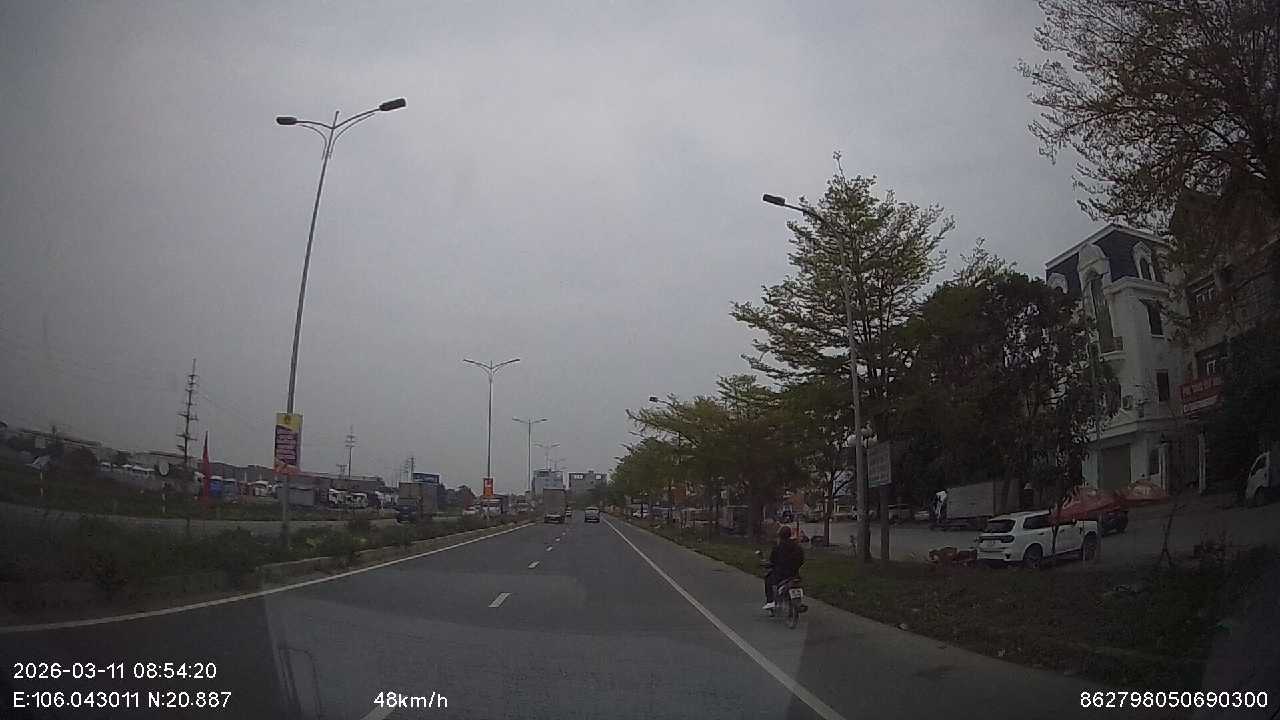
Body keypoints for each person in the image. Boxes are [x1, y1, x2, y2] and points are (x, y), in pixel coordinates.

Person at [762, 525, 805, 610]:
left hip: (780, 575)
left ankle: (770, 601)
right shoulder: (797, 547)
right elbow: (801, 560)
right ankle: (798, 602)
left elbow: (772, 561)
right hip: (794, 573)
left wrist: (768, 565)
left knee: (768, 579)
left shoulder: (778, 548)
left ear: (780, 535)